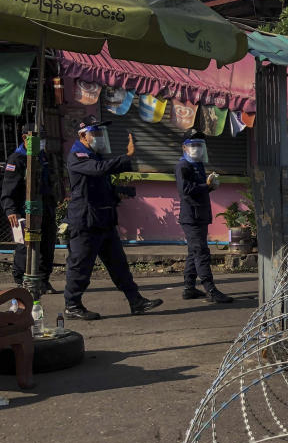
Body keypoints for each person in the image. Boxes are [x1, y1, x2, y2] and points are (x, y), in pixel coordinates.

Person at [63, 121, 163, 320]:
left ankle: (136, 301)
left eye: (101, 133)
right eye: (96, 133)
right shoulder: (78, 156)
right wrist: (127, 157)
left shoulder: (95, 155)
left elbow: (100, 186)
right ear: (83, 136)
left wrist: (118, 194)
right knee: (80, 265)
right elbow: (99, 169)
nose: (100, 137)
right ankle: (72, 305)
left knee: (119, 265)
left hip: (105, 220)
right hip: (85, 221)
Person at [175, 131, 232, 303]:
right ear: (184, 147)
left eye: (200, 145)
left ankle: (189, 288)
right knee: (201, 252)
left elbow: (198, 188)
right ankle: (211, 290)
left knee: (194, 252)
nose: (197, 149)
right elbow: (185, 191)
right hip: (191, 217)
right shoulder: (183, 165)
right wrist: (205, 186)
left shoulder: (197, 164)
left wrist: (209, 186)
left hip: (199, 215)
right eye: (193, 145)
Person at [1, 123, 57, 293]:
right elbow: (8, 189)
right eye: (38, 137)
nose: (42, 141)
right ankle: (21, 280)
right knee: (26, 246)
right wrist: (11, 211)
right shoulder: (17, 159)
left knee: (47, 244)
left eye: (43, 137)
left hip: (44, 208)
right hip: (24, 209)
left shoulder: (42, 156)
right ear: (25, 138)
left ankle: (43, 280)